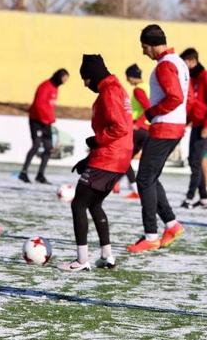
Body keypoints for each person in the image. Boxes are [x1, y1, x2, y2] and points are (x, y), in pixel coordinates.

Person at [58, 54, 133, 271]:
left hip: (108, 158)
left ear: (93, 75)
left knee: (79, 204)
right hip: (117, 159)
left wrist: (96, 140)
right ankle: (107, 256)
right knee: (94, 204)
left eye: (86, 78)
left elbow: (119, 127)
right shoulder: (116, 88)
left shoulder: (109, 92)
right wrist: (89, 158)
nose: (85, 83)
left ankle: (81, 261)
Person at [127, 24, 188, 253]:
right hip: (174, 127)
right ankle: (172, 225)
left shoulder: (164, 66)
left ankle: (151, 235)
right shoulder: (179, 62)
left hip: (165, 128)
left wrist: (151, 113)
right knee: (150, 178)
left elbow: (176, 97)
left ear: (152, 44)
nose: (143, 52)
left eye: (144, 47)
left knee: (144, 180)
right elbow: (185, 97)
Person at [179, 47, 207, 210]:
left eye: (184, 63)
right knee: (193, 161)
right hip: (197, 125)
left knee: (196, 161)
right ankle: (204, 199)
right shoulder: (193, 79)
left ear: (192, 62)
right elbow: (193, 104)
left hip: (206, 126)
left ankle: (190, 197)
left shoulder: (206, 78)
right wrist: (186, 121)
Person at [19, 68, 69, 184]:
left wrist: (50, 120)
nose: (64, 82)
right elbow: (39, 105)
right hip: (37, 121)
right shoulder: (45, 86)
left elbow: (49, 107)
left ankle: (40, 174)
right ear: (58, 76)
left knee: (48, 148)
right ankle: (23, 172)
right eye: (64, 79)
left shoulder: (55, 88)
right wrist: (46, 120)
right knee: (36, 145)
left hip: (46, 122)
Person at [122, 63, 149, 200]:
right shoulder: (147, 87)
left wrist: (137, 124)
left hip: (139, 129)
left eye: (128, 77)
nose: (127, 81)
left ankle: (135, 189)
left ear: (132, 77)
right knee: (127, 159)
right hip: (147, 129)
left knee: (123, 158)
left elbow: (147, 108)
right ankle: (121, 185)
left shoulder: (138, 90)